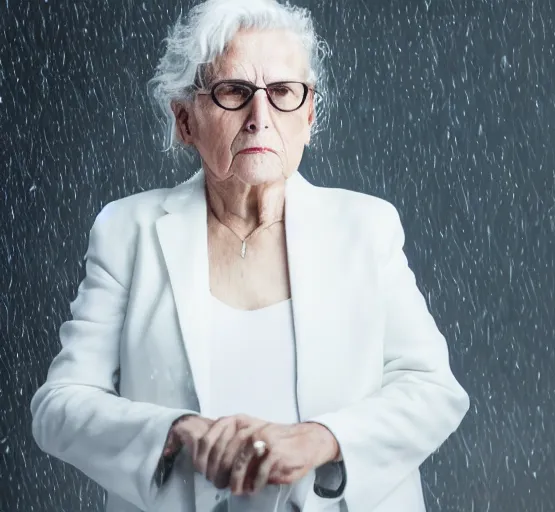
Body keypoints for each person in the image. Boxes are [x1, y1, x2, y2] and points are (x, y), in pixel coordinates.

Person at [29, 0, 469, 510]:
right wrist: (176, 432)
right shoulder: (126, 232)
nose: (260, 118)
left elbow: (434, 389)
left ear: (307, 116)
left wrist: (324, 438)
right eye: (233, 92)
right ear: (184, 120)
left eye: (282, 92)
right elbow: (58, 408)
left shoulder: (367, 228)